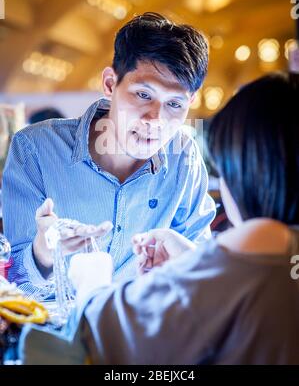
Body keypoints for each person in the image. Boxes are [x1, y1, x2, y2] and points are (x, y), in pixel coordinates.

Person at [54, 71, 298, 365]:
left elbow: (109, 334)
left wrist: (91, 278)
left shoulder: (265, 239)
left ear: (246, 172)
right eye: (143, 94)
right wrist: (194, 263)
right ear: (110, 85)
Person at [2, 12, 215, 300]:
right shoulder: (36, 149)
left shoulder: (184, 160)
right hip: (54, 337)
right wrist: (44, 252)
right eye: (143, 95)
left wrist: (182, 268)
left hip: (142, 333)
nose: (156, 119)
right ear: (110, 84)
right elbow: (14, 285)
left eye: (175, 104)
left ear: (190, 102)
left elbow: (205, 275)